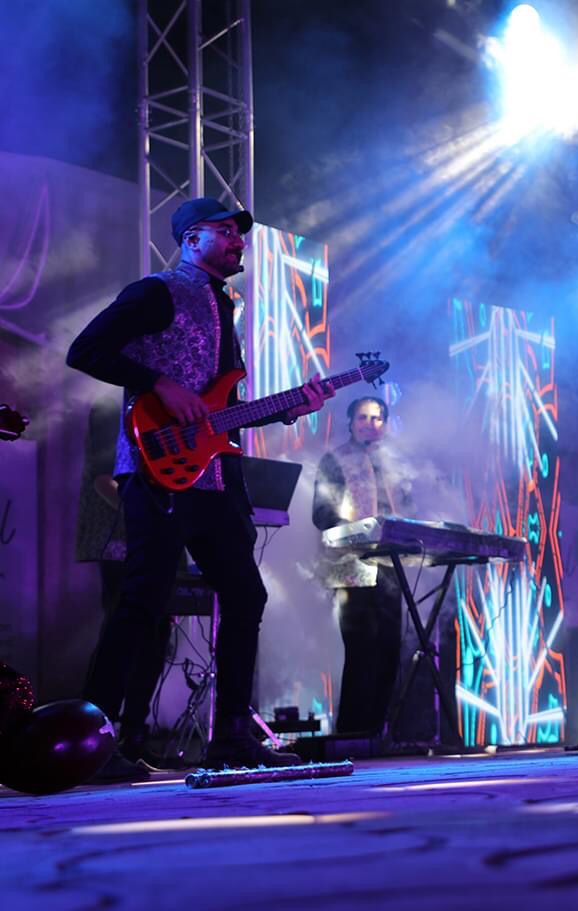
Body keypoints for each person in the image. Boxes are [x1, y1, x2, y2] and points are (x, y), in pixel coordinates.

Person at [66, 196, 335, 778]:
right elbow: (83, 350)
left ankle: (232, 738)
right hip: (156, 468)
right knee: (142, 600)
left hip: (212, 476)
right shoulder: (156, 291)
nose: (240, 241)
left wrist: (289, 408)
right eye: (225, 232)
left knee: (244, 595)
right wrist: (157, 382)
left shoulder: (224, 304)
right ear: (191, 240)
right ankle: (93, 741)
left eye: (240, 235)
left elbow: (220, 411)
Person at [75, 396, 171, 769]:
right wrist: (147, 516)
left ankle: (134, 736)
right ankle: (98, 739)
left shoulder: (153, 403)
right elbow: (103, 478)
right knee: (125, 632)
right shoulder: (107, 406)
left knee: (156, 635)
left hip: (148, 538)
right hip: (117, 541)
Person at [312, 396, 411, 734]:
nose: (370, 424)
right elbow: (321, 514)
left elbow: (407, 511)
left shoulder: (395, 464)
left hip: (389, 565)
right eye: (363, 418)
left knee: (388, 650)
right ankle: (353, 733)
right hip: (351, 567)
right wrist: (359, 528)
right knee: (360, 652)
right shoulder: (335, 459)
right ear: (350, 422)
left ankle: (378, 732)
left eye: (377, 418)